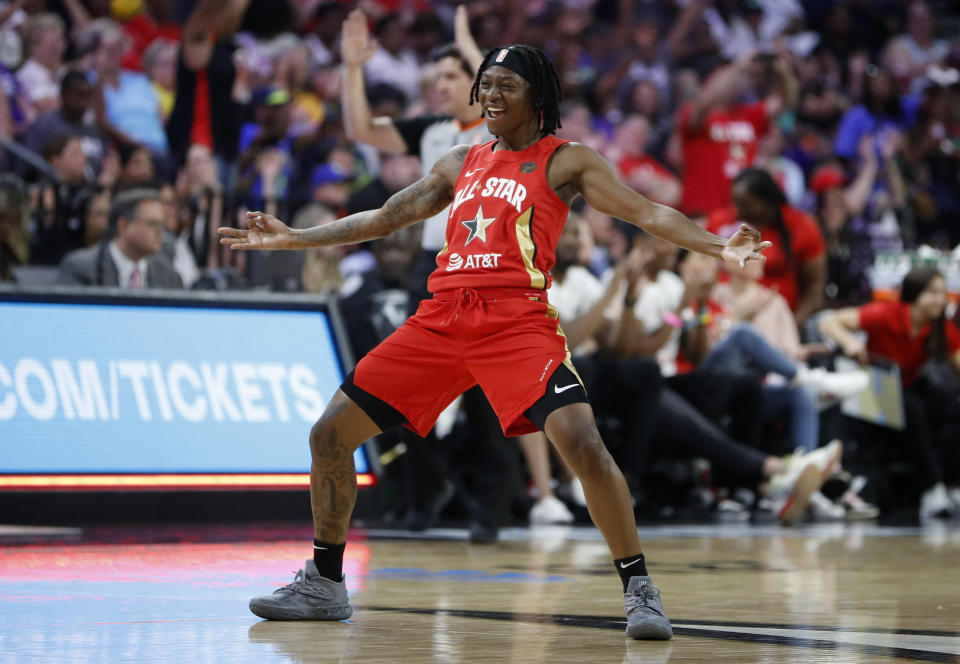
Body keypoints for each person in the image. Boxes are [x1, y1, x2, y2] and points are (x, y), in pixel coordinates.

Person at [219, 44, 769, 641]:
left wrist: (718, 245)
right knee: (329, 434)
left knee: (583, 443)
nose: (490, 97)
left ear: (538, 95)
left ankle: (640, 589)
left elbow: (647, 213)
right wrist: (294, 238)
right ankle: (324, 582)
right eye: (485, 86)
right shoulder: (462, 160)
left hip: (516, 322)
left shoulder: (566, 159)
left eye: (505, 85)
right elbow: (383, 216)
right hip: (440, 317)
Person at [818, 266, 960, 518]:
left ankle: (952, 484)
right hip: (875, 388)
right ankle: (932, 488)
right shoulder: (886, 314)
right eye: (932, 292)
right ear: (915, 294)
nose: (940, 299)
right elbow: (829, 321)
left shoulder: (940, 327)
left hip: (909, 386)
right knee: (911, 408)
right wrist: (850, 342)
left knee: (950, 406)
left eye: (942, 292)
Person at [56, 187, 182, 289]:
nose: (160, 232)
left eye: (161, 225)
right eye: (152, 224)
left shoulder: (169, 276)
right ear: (124, 226)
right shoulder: (82, 268)